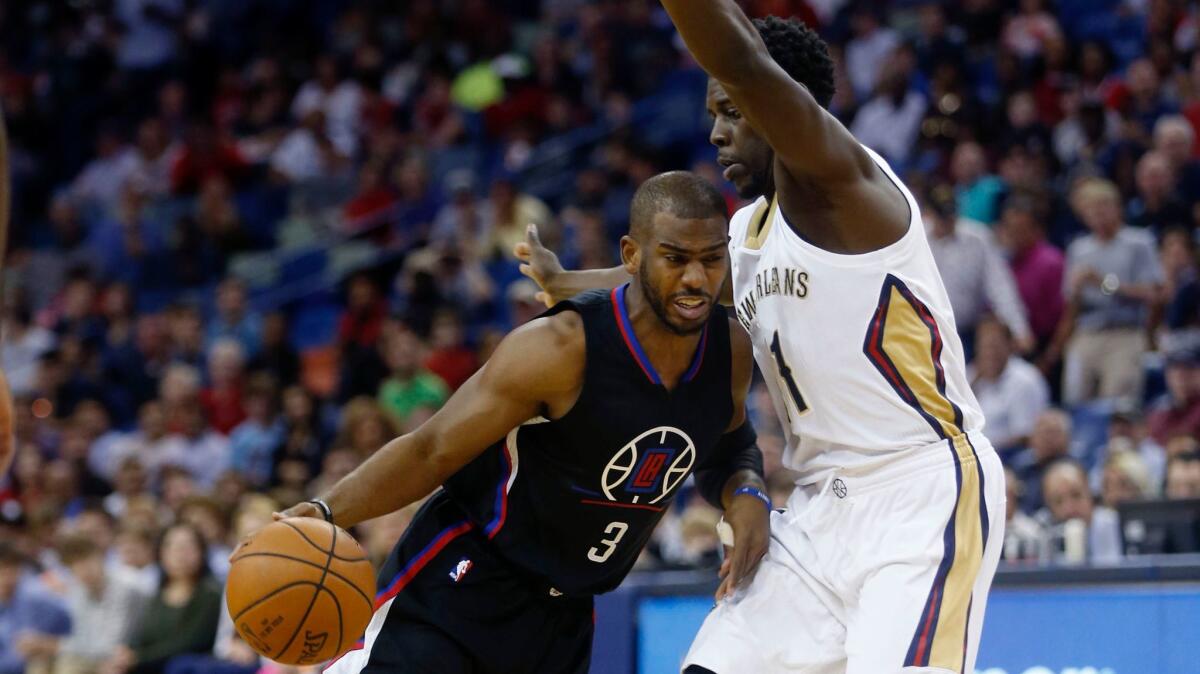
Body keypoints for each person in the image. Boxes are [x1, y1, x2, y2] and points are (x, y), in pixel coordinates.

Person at [516, 8, 1005, 674]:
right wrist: (561, 282)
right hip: (813, 509)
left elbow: (745, 61)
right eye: (714, 114)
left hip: (919, 493)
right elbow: (650, 287)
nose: (717, 134)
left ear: (779, 108)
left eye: (733, 114)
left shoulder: (846, 189)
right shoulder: (746, 234)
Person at [275, 172, 770, 673]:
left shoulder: (728, 353)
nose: (695, 278)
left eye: (711, 259)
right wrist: (327, 508)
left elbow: (730, 447)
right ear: (630, 255)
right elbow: (431, 450)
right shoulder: (561, 347)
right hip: (465, 584)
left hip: (566, 618)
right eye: (675, 258)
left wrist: (746, 492)